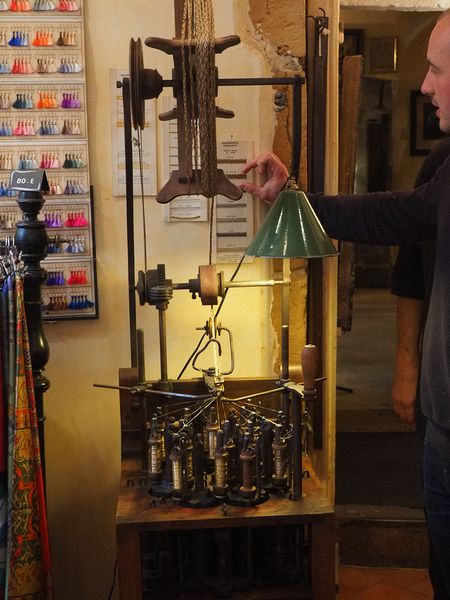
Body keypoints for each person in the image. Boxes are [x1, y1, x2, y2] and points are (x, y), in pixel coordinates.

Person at [239, 11, 450, 597]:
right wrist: (296, 199)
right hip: (442, 433)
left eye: (435, 70)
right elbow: (390, 215)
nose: (426, 85)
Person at [391, 136, 450, 600]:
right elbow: (409, 268)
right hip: (442, 411)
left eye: (437, 71)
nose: (427, 87)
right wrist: (407, 365)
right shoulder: (441, 163)